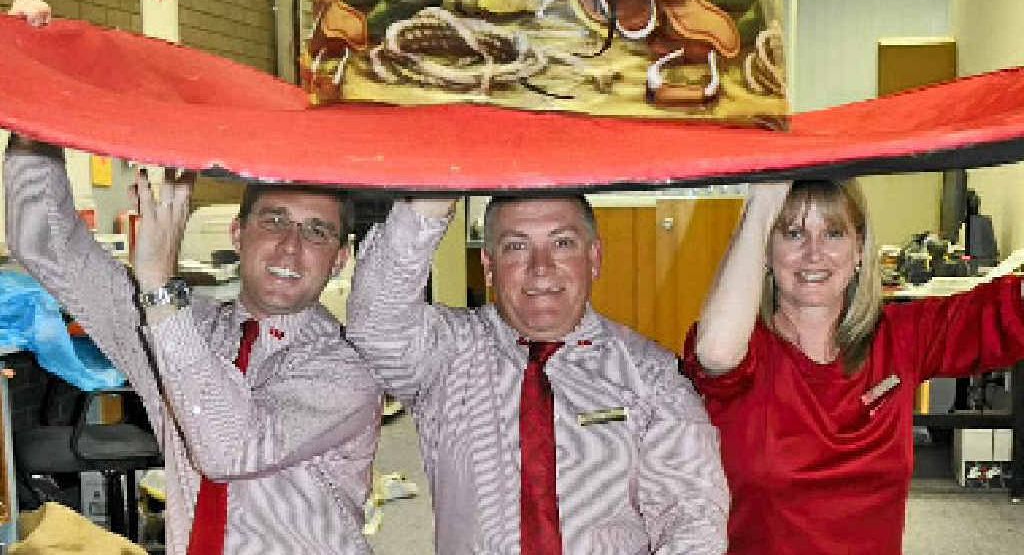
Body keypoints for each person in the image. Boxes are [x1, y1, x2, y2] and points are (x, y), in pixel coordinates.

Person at [5, 0, 381, 555]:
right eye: (274, 219)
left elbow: (232, 449)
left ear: (340, 259)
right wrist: (37, 88)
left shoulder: (349, 370)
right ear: (239, 232)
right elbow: (50, 246)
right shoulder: (183, 325)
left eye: (317, 231)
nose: (290, 244)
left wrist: (159, 291)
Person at [345, 196, 729, 554]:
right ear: (489, 267)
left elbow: (692, 517)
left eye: (562, 243)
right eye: (517, 246)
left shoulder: (651, 374)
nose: (541, 267)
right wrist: (441, 178)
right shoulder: (445, 355)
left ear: (594, 259)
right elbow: (374, 319)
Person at [681, 180, 1024, 554]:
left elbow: (1007, 314)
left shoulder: (900, 337)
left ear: (859, 248)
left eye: (833, 233)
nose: (814, 254)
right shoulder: (743, 350)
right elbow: (714, 354)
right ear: (766, 248)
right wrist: (763, 201)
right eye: (794, 233)